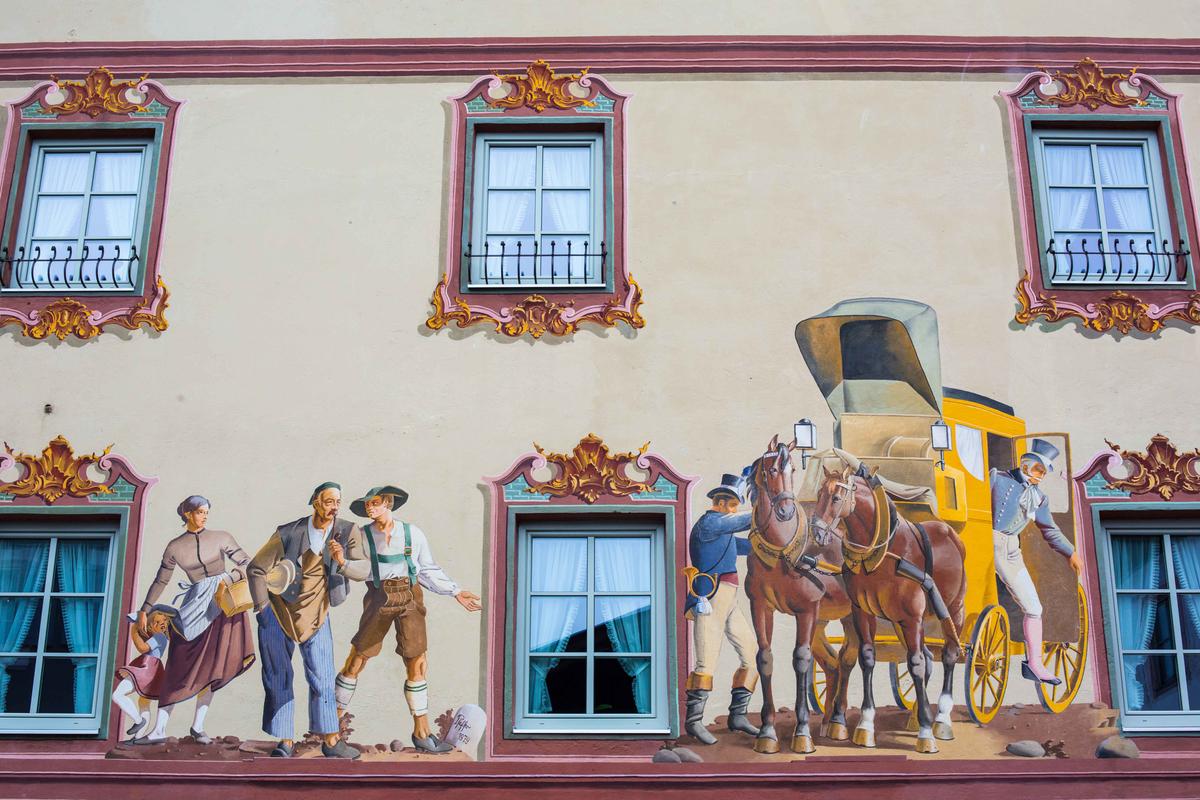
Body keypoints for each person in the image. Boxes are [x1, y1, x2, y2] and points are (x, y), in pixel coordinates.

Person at [334, 485, 482, 754]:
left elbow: (426, 570)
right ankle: (331, 726)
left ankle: (422, 732)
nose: (370, 507)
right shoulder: (362, 536)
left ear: (388, 503)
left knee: (417, 662)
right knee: (357, 658)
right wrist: (342, 562)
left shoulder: (413, 533)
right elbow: (357, 570)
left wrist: (456, 592)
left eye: (375, 502)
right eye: (367, 504)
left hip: (411, 597)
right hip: (379, 597)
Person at [248, 482, 369, 759]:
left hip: (317, 614)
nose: (334, 507)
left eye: (337, 502)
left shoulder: (348, 531)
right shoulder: (289, 532)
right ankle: (286, 742)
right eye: (328, 502)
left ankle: (330, 740)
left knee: (323, 677)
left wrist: (343, 561)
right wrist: (262, 609)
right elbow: (255, 568)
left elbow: (363, 570)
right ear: (315, 502)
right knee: (278, 676)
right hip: (278, 612)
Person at [135, 496, 255, 744]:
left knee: (213, 667)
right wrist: (144, 610)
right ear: (188, 514)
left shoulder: (221, 536)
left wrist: (231, 576)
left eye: (207, 512)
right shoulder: (174, 547)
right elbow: (161, 580)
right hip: (194, 605)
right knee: (178, 665)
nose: (204, 516)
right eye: (200, 511)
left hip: (223, 604)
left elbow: (246, 562)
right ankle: (159, 730)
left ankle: (198, 726)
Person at [989, 438, 1084, 686]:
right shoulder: (998, 479)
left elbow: (1049, 529)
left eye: (1044, 472)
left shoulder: (1039, 498)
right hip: (991, 541)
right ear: (1026, 464)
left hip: (1012, 549)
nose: (1041, 476)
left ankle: (1035, 663)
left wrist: (1070, 552)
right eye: (1038, 470)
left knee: (1034, 607)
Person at [683, 473, 759, 745]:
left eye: (735, 502)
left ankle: (737, 715)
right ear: (722, 503)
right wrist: (767, 507)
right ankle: (693, 722)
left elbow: (747, 546)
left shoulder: (722, 531)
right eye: (731, 503)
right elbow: (746, 521)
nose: (733, 507)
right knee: (706, 662)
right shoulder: (711, 523)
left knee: (751, 654)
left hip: (729, 598)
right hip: (711, 597)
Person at [112, 604, 175, 742]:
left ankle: (138, 720)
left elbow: (142, 648)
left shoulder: (159, 637)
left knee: (118, 694)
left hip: (148, 667)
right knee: (144, 702)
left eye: (164, 621)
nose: (162, 624)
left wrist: (134, 629)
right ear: (151, 624)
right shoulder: (159, 637)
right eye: (157, 622)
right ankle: (137, 737)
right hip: (153, 667)